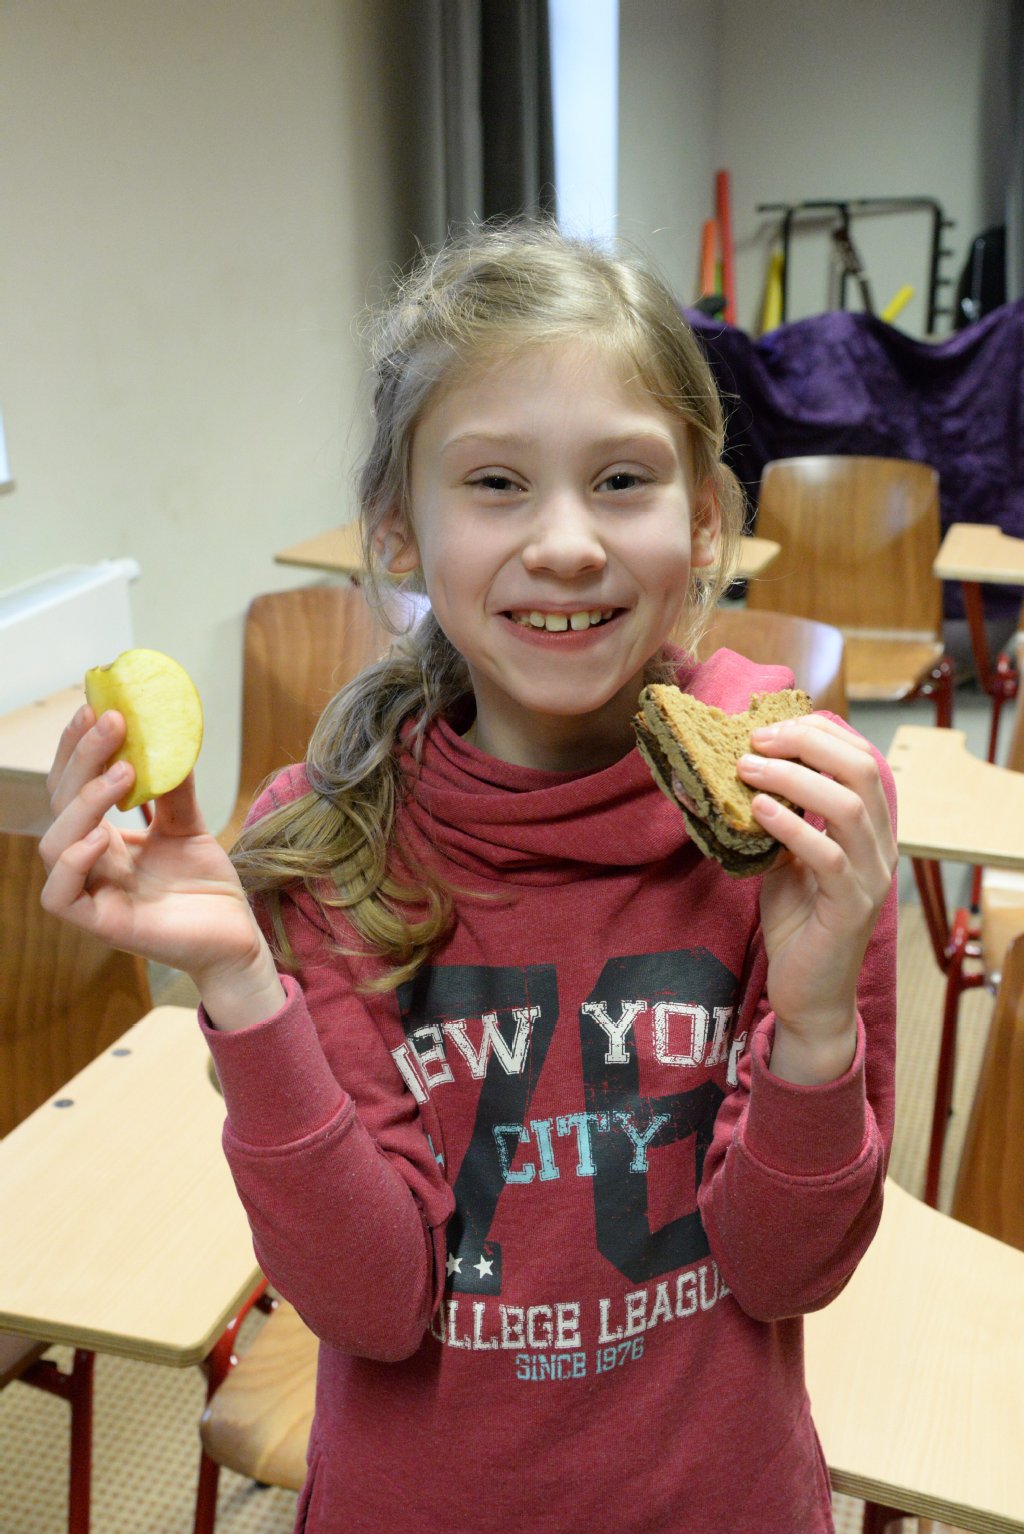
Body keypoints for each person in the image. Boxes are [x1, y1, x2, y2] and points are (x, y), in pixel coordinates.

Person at [41, 222, 898, 1534]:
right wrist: (240, 982)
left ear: (706, 519)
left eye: (623, 478)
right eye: (496, 481)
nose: (565, 541)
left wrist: (821, 1011)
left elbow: (789, 1272)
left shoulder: (798, 823)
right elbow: (374, 1301)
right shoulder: (333, 848)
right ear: (399, 531)